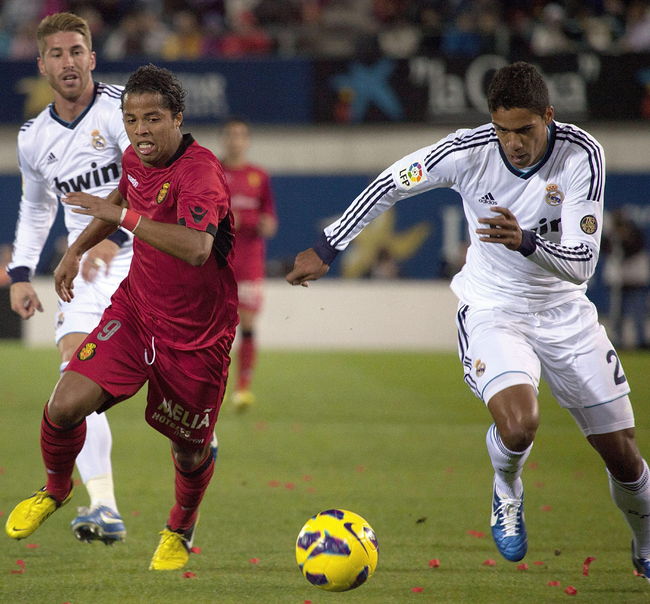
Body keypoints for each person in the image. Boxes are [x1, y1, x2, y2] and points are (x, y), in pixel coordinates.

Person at [286, 61, 650, 580]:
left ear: (548, 116)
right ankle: (507, 487)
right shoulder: (467, 151)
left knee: (624, 458)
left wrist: (525, 240)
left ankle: (644, 544)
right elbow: (392, 182)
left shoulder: (581, 154)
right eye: (503, 130)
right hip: (493, 309)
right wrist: (328, 246)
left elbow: (583, 264)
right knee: (519, 424)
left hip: (566, 313)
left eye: (524, 130)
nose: (513, 143)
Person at [5, 64, 238, 572]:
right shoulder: (135, 156)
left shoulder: (200, 172)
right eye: (131, 120)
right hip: (135, 313)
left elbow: (197, 248)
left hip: (196, 336)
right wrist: (76, 251)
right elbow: (122, 195)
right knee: (65, 403)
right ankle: (57, 489)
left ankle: (180, 526)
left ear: (177, 118)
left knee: (190, 451)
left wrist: (121, 218)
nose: (140, 131)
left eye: (152, 118)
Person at [6, 12, 132, 545]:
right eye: (56, 54)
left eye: (76, 51)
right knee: (75, 377)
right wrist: (19, 272)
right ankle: (104, 505)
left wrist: (114, 237)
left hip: (146, 253)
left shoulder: (124, 109)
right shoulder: (33, 138)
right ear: (42, 65)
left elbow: (151, 180)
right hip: (85, 269)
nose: (68, 62)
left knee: (181, 399)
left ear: (92, 57)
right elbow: (37, 210)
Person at [221, 118, 277, 411]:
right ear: (224, 139)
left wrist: (253, 222)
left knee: (248, 324)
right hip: (217, 261)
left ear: (247, 141)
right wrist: (230, 220)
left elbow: (270, 222)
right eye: (231, 135)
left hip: (250, 263)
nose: (235, 140)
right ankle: (210, 385)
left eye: (240, 135)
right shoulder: (212, 172)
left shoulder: (259, 176)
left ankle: (243, 388)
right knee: (214, 328)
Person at [602, 209, 650, 349]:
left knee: (638, 313)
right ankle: (617, 340)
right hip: (617, 282)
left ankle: (641, 341)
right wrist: (613, 237)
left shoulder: (634, 233)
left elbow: (633, 249)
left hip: (635, 280)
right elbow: (605, 248)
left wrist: (623, 238)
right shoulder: (611, 236)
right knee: (616, 314)